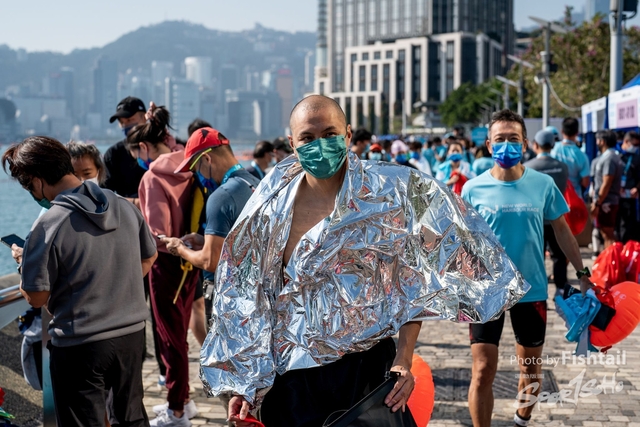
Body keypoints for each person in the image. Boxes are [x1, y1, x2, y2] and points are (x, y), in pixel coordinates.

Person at [200, 95, 527, 426]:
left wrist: (404, 359)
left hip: (367, 373)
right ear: (292, 144)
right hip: (293, 382)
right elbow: (248, 299)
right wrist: (243, 386)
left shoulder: (389, 196)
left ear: (347, 135)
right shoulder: (269, 211)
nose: (320, 145)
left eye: (329, 134)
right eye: (307, 138)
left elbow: (414, 286)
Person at [2, 136, 158, 427]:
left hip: (80, 345)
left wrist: (24, 263)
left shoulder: (48, 224)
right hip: (131, 334)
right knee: (131, 419)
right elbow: (149, 256)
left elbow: (36, 296)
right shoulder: (122, 204)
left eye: (28, 187)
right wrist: (112, 283)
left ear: (36, 181)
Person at [461, 110, 594, 427]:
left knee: (531, 370)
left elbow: (562, 231)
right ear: (489, 144)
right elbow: (462, 240)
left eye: (513, 139)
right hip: (487, 293)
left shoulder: (542, 184)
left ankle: (521, 420)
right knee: (482, 370)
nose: (506, 145)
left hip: (531, 290)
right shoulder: (472, 189)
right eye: (500, 139)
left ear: (525, 144)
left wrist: (582, 273)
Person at [161, 127, 260, 422]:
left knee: (232, 391)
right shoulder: (256, 183)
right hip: (257, 300)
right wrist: (203, 239)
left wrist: (180, 249)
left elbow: (210, 261)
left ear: (206, 159)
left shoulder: (220, 196)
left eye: (195, 168)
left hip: (229, 308)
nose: (197, 176)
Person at [127, 106, 200, 427]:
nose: (138, 161)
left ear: (144, 147)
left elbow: (157, 233)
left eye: (136, 154)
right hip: (190, 256)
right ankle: (183, 399)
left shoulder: (153, 177)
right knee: (179, 334)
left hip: (165, 262)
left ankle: (176, 411)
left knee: (169, 338)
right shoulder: (187, 163)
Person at [524, 130, 569, 296]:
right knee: (559, 256)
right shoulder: (562, 167)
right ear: (553, 145)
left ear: (535, 145)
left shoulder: (528, 167)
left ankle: (538, 290)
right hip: (557, 219)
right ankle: (560, 290)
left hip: (535, 221)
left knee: (537, 258)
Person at [104, 96, 148, 207]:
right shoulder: (113, 154)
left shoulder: (163, 147)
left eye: (129, 120)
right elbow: (105, 196)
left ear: (144, 118)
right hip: (127, 215)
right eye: (121, 122)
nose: (125, 125)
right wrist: (139, 203)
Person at [591, 130, 623, 249]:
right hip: (606, 201)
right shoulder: (609, 157)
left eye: (597, 140)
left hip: (607, 202)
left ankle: (614, 258)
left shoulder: (609, 158)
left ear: (602, 141)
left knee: (608, 234)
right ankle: (610, 258)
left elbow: (606, 183)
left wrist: (597, 203)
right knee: (605, 233)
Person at [552, 117, 590, 198]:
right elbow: (585, 182)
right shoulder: (582, 155)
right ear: (577, 132)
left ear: (562, 131)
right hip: (574, 198)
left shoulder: (553, 149)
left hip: (555, 197)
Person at [617, 131, 640, 243]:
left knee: (628, 225)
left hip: (630, 197)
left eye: (637, 145)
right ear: (626, 141)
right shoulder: (616, 155)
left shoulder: (637, 158)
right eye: (634, 144)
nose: (636, 147)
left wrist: (637, 188)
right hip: (615, 197)